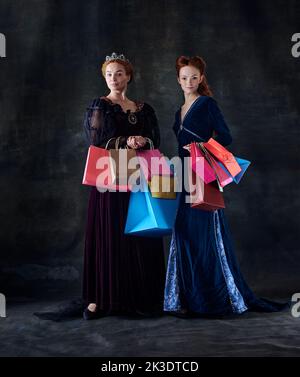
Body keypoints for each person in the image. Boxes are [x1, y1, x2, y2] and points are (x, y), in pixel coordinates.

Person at [163, 55, 287, 317]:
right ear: (178, 80)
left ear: (201, 78)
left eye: (194, 77)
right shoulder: (178, 111)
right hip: (184, 178)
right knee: (184, 237)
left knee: (207, 237)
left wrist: (199, 146)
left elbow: (226, 136)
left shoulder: (207, 104)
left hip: (204, 175)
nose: (189, 82)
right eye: (184, 77)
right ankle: (188, 297)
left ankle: (215, 299)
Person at [82, 52, 165, 319]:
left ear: (128, 76)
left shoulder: (144, 108)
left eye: (119, 73)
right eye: (109, 74)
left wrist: (142, 141)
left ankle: (144, 295)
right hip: (111, 180)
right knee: (112, 233)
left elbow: (156, 140)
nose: (114, 79)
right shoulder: (101, 105)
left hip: (140, 178)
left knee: (141, 231)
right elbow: (96, 141)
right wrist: (124, 143)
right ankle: (102, 298)